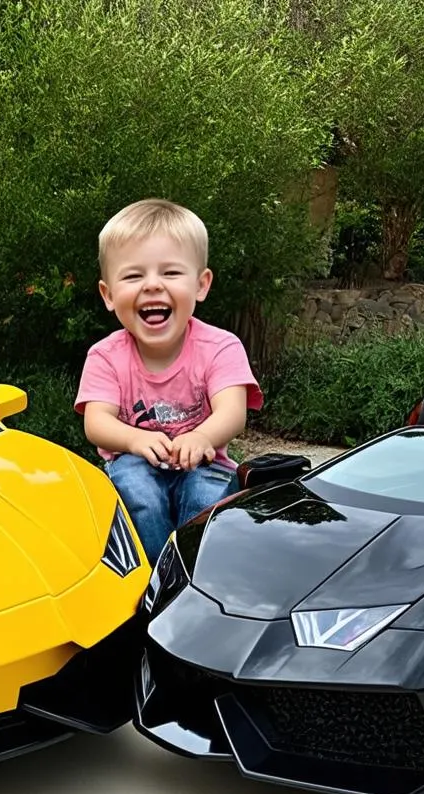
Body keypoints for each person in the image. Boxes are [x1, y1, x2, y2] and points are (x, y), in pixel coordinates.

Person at [74, 198, 263, 562]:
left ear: (201, 285)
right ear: (109, 295)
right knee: (138, 492)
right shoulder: (105, 355)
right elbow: (96, 422)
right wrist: (135, 438)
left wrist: (201, 437)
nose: (152, 286)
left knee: (207, 500)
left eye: (171, 273)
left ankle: (200, 580)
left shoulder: (220, 347)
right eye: (133, 275)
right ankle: (156, 582)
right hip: (133, 459)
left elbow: (232, 412)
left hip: (204, 461)